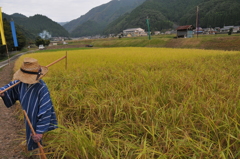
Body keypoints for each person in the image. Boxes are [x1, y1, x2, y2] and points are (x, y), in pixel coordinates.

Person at [0, 57, 58, 151]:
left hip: (37, 117)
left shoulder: (41, 88)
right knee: (31, 137)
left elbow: (46, 109)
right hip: (28, 116)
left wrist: (40, 131)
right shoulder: (20, 83)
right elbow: (10, 87)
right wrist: (3, 92)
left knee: (37, 140)